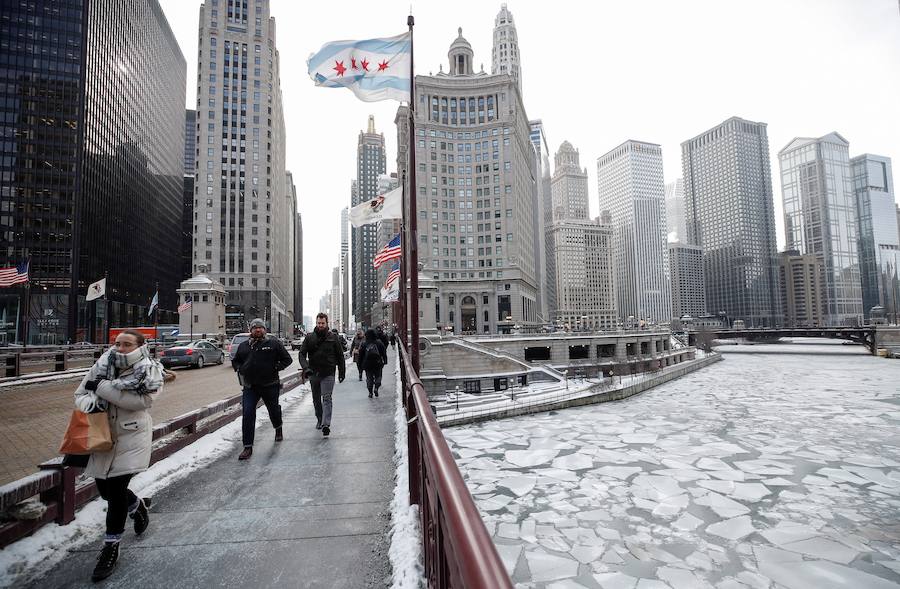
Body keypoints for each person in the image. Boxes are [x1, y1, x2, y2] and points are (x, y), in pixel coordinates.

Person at [74, 329, 175, 582]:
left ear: (140, 346)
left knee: (116, 490)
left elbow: (140, 403)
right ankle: (137, 506)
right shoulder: (102, 364)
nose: (120, 348)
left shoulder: (150, 371)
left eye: (127, 344)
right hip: (101, 434)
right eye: (117, 343)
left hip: (132, 436)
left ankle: (110, 547)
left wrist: (103, 389)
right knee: (106, 491)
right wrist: (93, 405)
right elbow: (81, 394)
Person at [231, 318, 292, 460]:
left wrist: (275, 368)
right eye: (254, 328)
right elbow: (236, 360)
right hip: (250, 387)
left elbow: (287, 359)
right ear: (250, 330)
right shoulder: (244, 346)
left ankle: (278, 428)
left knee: (273, 410)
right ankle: (247, 447)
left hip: (270, 385)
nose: (258, 330)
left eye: (260, 327)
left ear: (264, 330)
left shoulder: (273, 343)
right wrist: (239, 368)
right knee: (247, 413)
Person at [298, 313, 346, 436]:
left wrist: (342, 372)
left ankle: (326, 424)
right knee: (316, 399)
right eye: (318, 323)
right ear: (316, 323)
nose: (320, 325)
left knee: (327, 397)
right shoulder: (309, 338)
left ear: (327, 323)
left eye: (322, 323)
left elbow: (340, 356)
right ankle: (319, 418)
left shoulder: (333, 337)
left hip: (328, 372)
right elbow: (301, 354)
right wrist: (306, 368)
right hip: (314, 373)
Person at [359, 328, 388, 398]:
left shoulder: (364, 343)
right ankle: (376, 387)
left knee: (369, 378)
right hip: (377, 363)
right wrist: (385, 360)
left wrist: (360, 364)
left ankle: (370, 392)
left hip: (367, 364)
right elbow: (384, 352)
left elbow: (361, 355)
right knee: (378, 376)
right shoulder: (379, 342)